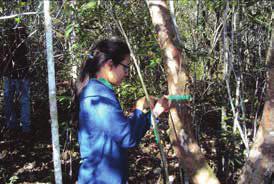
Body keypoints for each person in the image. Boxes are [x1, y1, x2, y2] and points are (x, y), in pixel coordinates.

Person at [76, 38, 169, 184]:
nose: (126, 73)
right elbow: (127, 138)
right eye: (125, 67)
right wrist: (139, 108)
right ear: (109, 65)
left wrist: (155, 112)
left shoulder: (99, 90)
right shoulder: (97, 94)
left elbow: (119, 132)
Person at [2, 23, 31, 139]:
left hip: (21, 75)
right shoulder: (6, 43)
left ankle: (25, 128)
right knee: (10, 100)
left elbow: (27, 54)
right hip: (10, 75)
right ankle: (12, 125)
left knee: (22, 101)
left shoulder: (23, 43)